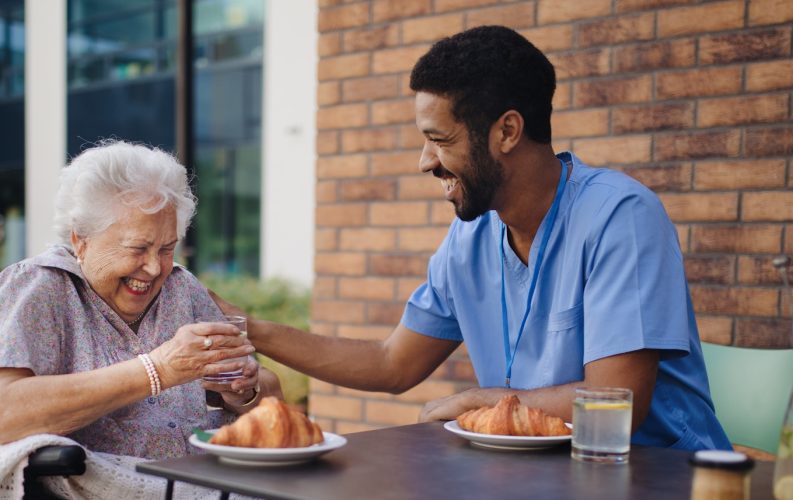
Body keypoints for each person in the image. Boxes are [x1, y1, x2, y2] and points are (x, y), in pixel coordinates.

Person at [212, 25, 730, 451]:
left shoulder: (621, 216)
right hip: (537, 480)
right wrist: (243, 326)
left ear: (506, 131)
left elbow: (618, 402)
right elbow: (392, 363)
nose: (425, 161)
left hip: (661, 478)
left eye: (440, 140)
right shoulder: (472, 239)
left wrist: (484, 402)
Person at [0, 140, 282, 459]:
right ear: (81, 240)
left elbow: (270, 391)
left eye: (166, 248)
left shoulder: (181, 287)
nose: (154, 267)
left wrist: (244, 391)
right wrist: (158, 369)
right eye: (137, 248)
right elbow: (5, 412)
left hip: (209, 483)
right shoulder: (42, 287)